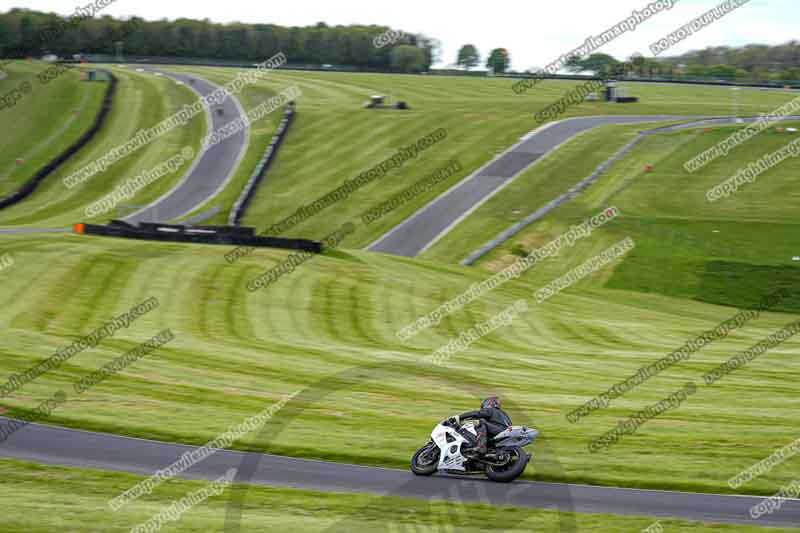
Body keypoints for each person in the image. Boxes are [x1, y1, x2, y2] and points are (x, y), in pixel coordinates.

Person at [446, 396, 512, 455]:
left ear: (489, 403)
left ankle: (481, 446)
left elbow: (476, 414)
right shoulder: (504, 414)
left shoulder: (491, 410)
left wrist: (459, 417)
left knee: (481, 423)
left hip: (499, 430)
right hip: (504, 433)